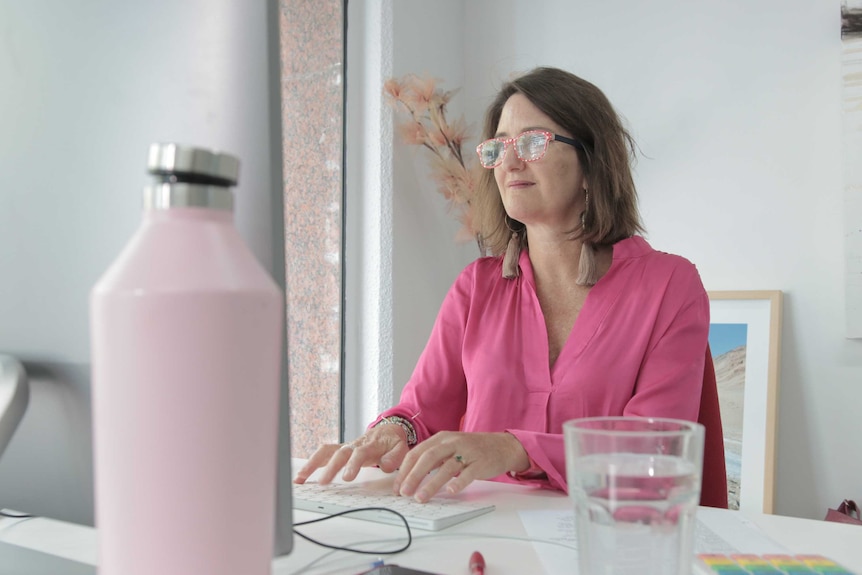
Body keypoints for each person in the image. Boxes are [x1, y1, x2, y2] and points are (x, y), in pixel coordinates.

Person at [295, 66, 710, 503]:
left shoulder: (670, 285)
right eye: (498, 147)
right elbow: (421, 410)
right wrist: (390, 431)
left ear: (592, 162)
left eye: (533, 142)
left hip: (604, 543)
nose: (510, 162)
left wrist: (513, 448)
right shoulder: (475, 287)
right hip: (477, 535)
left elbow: (658, 452)